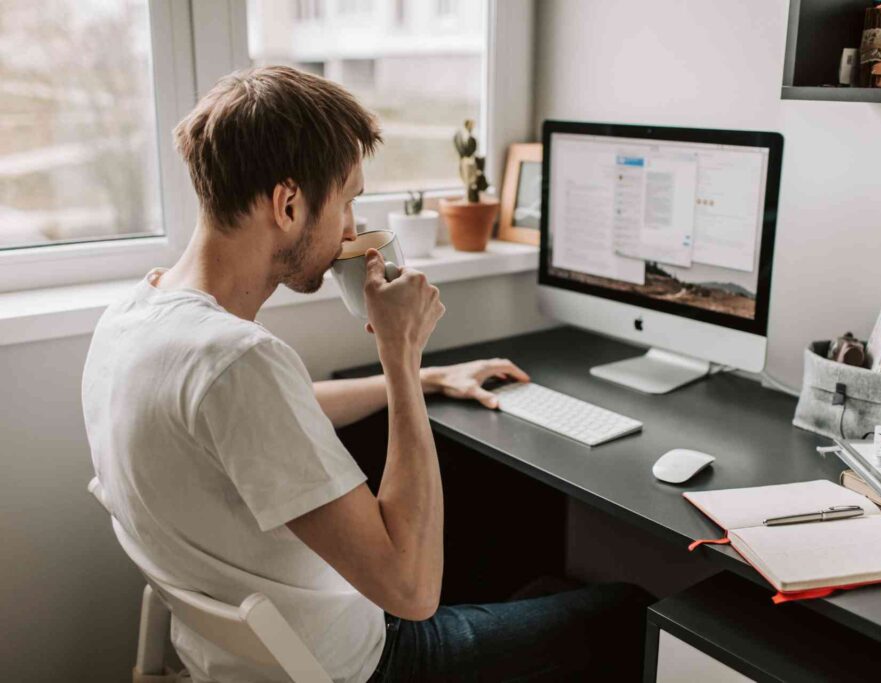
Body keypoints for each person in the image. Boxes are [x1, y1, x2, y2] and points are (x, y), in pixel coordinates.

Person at [83, 66, 650, 682]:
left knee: (529, 577)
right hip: (365, 664)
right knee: (628, 611)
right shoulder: (239, 361)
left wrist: (428, 379)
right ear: (289, 203)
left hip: (232, 659)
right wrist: (402, 359)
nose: (351, 230)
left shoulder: (134, 316)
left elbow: (261, 417)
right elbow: (411, 591)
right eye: (348, 200)